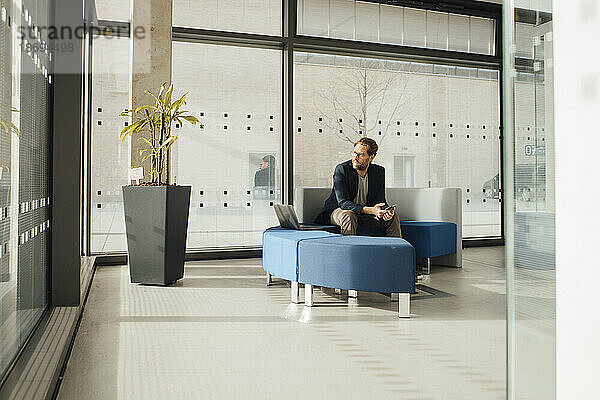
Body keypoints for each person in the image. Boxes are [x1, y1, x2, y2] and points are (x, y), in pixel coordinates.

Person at [315, 137, 401, 237]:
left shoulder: (379, 172)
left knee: (393, 218)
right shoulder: (342, 169)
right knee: (349, 215)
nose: (355, 157)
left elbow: (380, 200)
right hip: (338, 212)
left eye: (360, 155)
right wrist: (371, 210)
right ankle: (349, 251)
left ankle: (395, 251)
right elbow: (344, 204)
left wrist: (385, 211)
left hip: (363, 215)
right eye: (354, 153)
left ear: (371, 157)